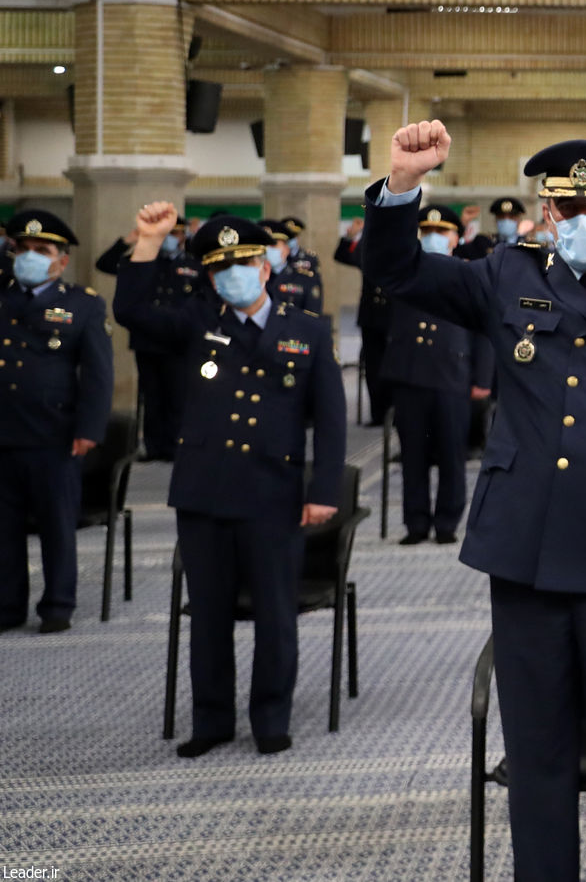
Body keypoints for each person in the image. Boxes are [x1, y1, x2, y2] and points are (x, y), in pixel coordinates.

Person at [363, 125, 586, 882]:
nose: (580, 220)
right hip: (526, 553)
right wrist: (400, 186)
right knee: (538, 755)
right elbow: (395, 270)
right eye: (565, 207)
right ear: (547, 215)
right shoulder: (504, 274)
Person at [116, 208, 346, 757]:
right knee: (210, 615)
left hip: (274, 495)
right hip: (205, 493)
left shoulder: (307, 330)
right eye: (219, 269)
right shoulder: (197, 321)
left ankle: (271, 718)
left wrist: (323, 492)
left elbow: (333, 421)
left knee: (274, 614)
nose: (232, 275)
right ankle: (212, 720)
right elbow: (130, 310)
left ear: (265, 268)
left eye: (242, 263)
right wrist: (148, 242)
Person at [0, 211, 113, 633]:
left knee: (56, 527)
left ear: (61, 261)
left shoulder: (82, 304)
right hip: (3, 431)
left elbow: (99, 375)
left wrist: (90, 430)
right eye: (22, 249)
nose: (30, 257)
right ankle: (7, 607)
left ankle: (58, 605)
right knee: (4, 530)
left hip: (54, 435)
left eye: (42, 251)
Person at [381, 203, 493, 545]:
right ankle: (416, 523)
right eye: (427, 232)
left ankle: (447, 522)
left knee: (451, 454)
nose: (433, 238)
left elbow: (484, 331)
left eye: (441, 232)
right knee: (412, 455)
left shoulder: (470, 273)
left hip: (452, 375)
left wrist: (482, 379)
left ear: (457, 237)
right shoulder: (404, 271)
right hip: (410, 374)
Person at [94, 218, 199, 459]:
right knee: (151, 397)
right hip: (148, 340)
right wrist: (129, 241)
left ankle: (174, 445)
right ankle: (152, 446)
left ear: (183, 236)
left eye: (175, 233)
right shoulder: (143, 262)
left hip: (178, 342)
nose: (170, 238)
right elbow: (105, 263)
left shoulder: (193, 264)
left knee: (177, 396)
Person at [332, 218, 395, 427]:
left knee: (393, 367)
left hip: (394, 318)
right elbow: (342, 256)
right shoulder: (368, 248)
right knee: (374, 368)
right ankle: (378, 414)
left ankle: (395, 413)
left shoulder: (403, 248)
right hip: (371, 317)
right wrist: (351, 237)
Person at [260, 219, 325, 319]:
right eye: (264, 246)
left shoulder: (306, 279)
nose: (268, 250)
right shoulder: (255, 277)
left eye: (273, 245)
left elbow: (312, 317)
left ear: (286, 249)